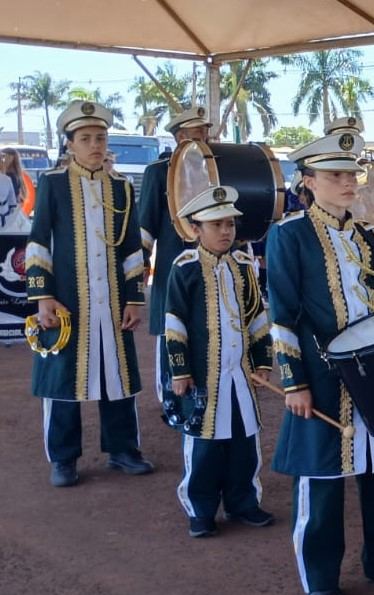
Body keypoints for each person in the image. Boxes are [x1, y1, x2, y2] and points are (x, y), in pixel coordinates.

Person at [266, 131, 374, 595]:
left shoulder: (369, 236)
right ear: (308, 182)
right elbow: (282, 314)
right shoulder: (289, 235)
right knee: (321, 475)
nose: (348, 182)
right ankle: (320, 578)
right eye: (335, 175)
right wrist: (294, 381)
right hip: (320, 374)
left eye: (351, 173)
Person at [25, 100, 154, 487]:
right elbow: (38, 242)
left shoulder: (121, 188)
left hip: (113, 301)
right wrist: (43, 296)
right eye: (86, 138)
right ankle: (63, 458)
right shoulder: (53, 184)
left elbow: (132, 249)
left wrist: (134, 298)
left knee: (118, 376)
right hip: (68, 300)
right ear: (70, 145)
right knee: (63, 378)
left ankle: (123, 450)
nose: (95, 145)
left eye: (100, 138)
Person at [166, 185, 276, 537]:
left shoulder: (244, 267)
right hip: (203, 376)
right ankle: (200, 510)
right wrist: (180, 371)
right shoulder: (184, 268)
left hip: (240, 374)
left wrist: (263, 362)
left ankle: (243, 502)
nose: (226, 231)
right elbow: (175, 323)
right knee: (204, 445)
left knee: (244, 440)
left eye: (230, 224)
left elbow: (257, 318)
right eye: (216, 225)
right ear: (195, 229)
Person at [138, 107, 214, 405]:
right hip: (172, 265)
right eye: (198, 132)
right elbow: (146, 225)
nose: (205, 136)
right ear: (181, 136)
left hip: (209, 265)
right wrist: (141, 265)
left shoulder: (214, 168)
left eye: (205, 131)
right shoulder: (158, 171)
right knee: (171, 326)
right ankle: (170, 398)